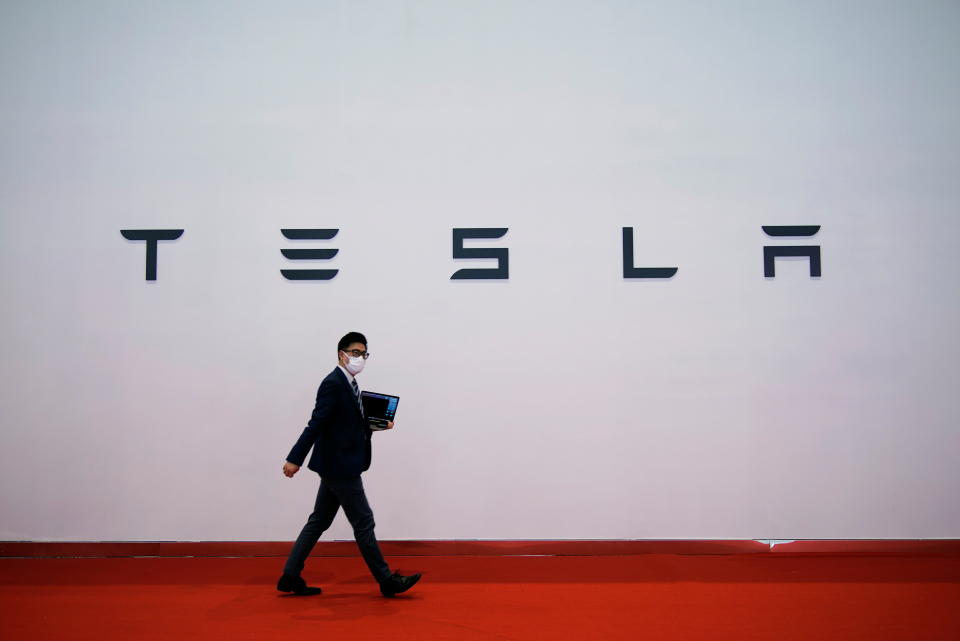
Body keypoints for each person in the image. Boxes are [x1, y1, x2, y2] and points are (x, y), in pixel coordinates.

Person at [277, 331, 421, 598]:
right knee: (363, 521)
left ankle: (290, 575)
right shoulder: (333, 383)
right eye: (355, 353)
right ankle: (386, 580)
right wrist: (294, 458)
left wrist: (374, 428)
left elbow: (345, 426)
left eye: (364, 354)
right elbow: (316, 424)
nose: (360, 358)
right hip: (340, 467)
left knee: (318, 520)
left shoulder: (351, 385)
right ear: (340, 354)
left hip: (338, 463)